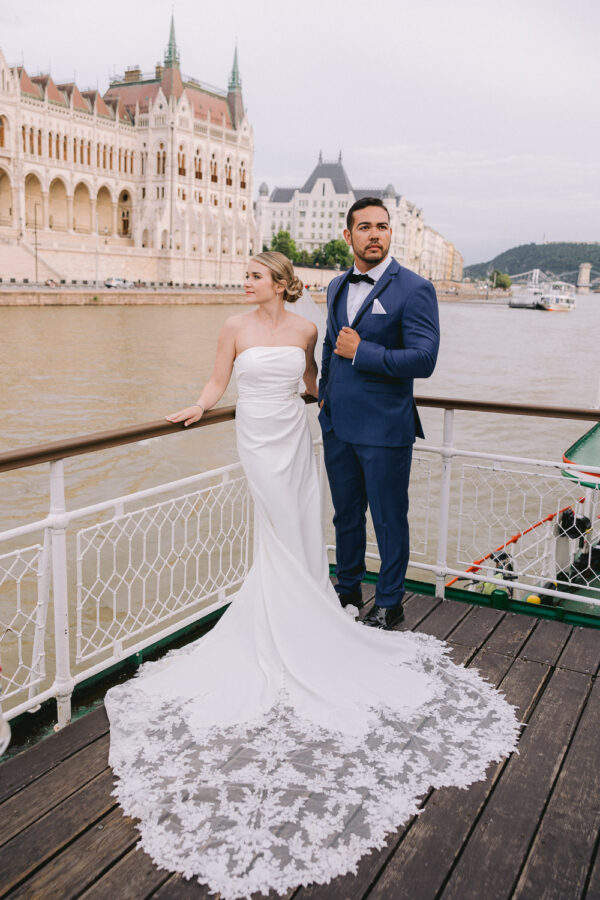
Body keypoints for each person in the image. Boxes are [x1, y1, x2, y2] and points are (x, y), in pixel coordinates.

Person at [104, 251, 518, 900]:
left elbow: (316, 383)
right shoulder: (233, 327)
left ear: (280, 284)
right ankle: (287, 618)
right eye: (244, 275)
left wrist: (350, 411)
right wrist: (195, 407)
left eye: (254, 275)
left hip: (294, 436)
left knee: (297, 529)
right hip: (254, 437)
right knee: (273, 522)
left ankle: (305, 619)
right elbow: (216, 383)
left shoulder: (304, 328)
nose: (245, 283)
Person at [319, 197, 440, 629]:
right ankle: (347, 588)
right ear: (348, 235)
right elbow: (330, 346)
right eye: (365, 227)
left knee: (389, 518)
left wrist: (362, 352)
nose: (375, 234)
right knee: (345, 515)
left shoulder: (415, 289)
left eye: (383, 227)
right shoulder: (335, 286)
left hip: (386, 427)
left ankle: (390, 601)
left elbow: (424, 360)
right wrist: (323, 397)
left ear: (391, 234)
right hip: (338, 425)